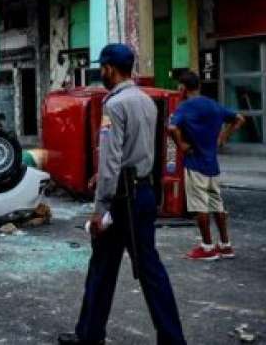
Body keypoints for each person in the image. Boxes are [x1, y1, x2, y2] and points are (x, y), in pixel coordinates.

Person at [59, 44, 186, 345]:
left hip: (120, 199)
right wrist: (105, 177)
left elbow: (111, 157)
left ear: (110, 69)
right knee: (144, 269)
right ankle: (167, 339)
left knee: (109, 269)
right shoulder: (145, 101)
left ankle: (91, 335)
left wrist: (99, 207)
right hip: (142, 191)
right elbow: (139, 151)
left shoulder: (114, 105)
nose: (100, 73)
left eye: (101, 68)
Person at [169, 71, 245, 261]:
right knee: (217, 204)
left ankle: (207, 246)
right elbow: (239, 119)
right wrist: (224, 136)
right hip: (212, 165)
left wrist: (182, 145)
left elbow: (171, 128)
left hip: (195, 163)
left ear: (182, 88)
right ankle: (226, 245)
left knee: (199, 206)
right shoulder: (213, 105)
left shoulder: (185, 107)